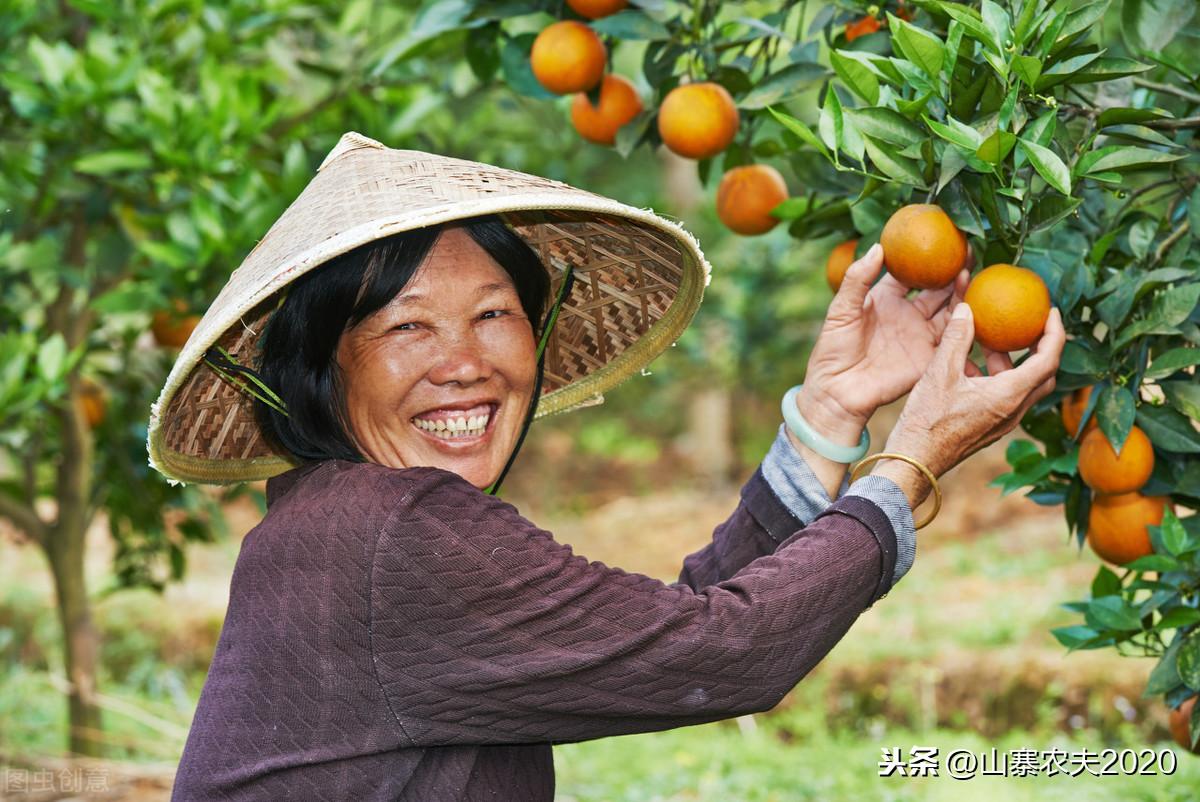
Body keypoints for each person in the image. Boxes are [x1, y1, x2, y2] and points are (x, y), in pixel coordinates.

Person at [147, 133, 1064, 801]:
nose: (464, 361)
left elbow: (662, 642)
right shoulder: (392, 534)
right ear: (321, 369)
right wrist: (912, 461)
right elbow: (723, 653)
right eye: (407, 325)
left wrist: (831, 414)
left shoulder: (341, 521)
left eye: (494, 314)